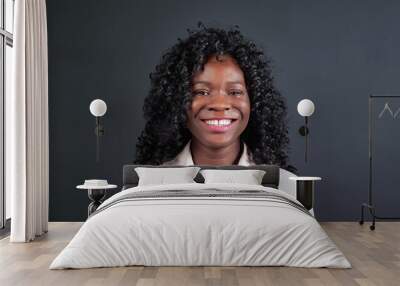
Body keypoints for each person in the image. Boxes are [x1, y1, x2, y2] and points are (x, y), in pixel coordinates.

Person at [134, 22, 295, 174]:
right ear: (177, 101)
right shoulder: (151, 185)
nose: (219, 104)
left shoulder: (281, 186)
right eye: (201, 92)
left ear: (254, 102)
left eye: (235, 92)